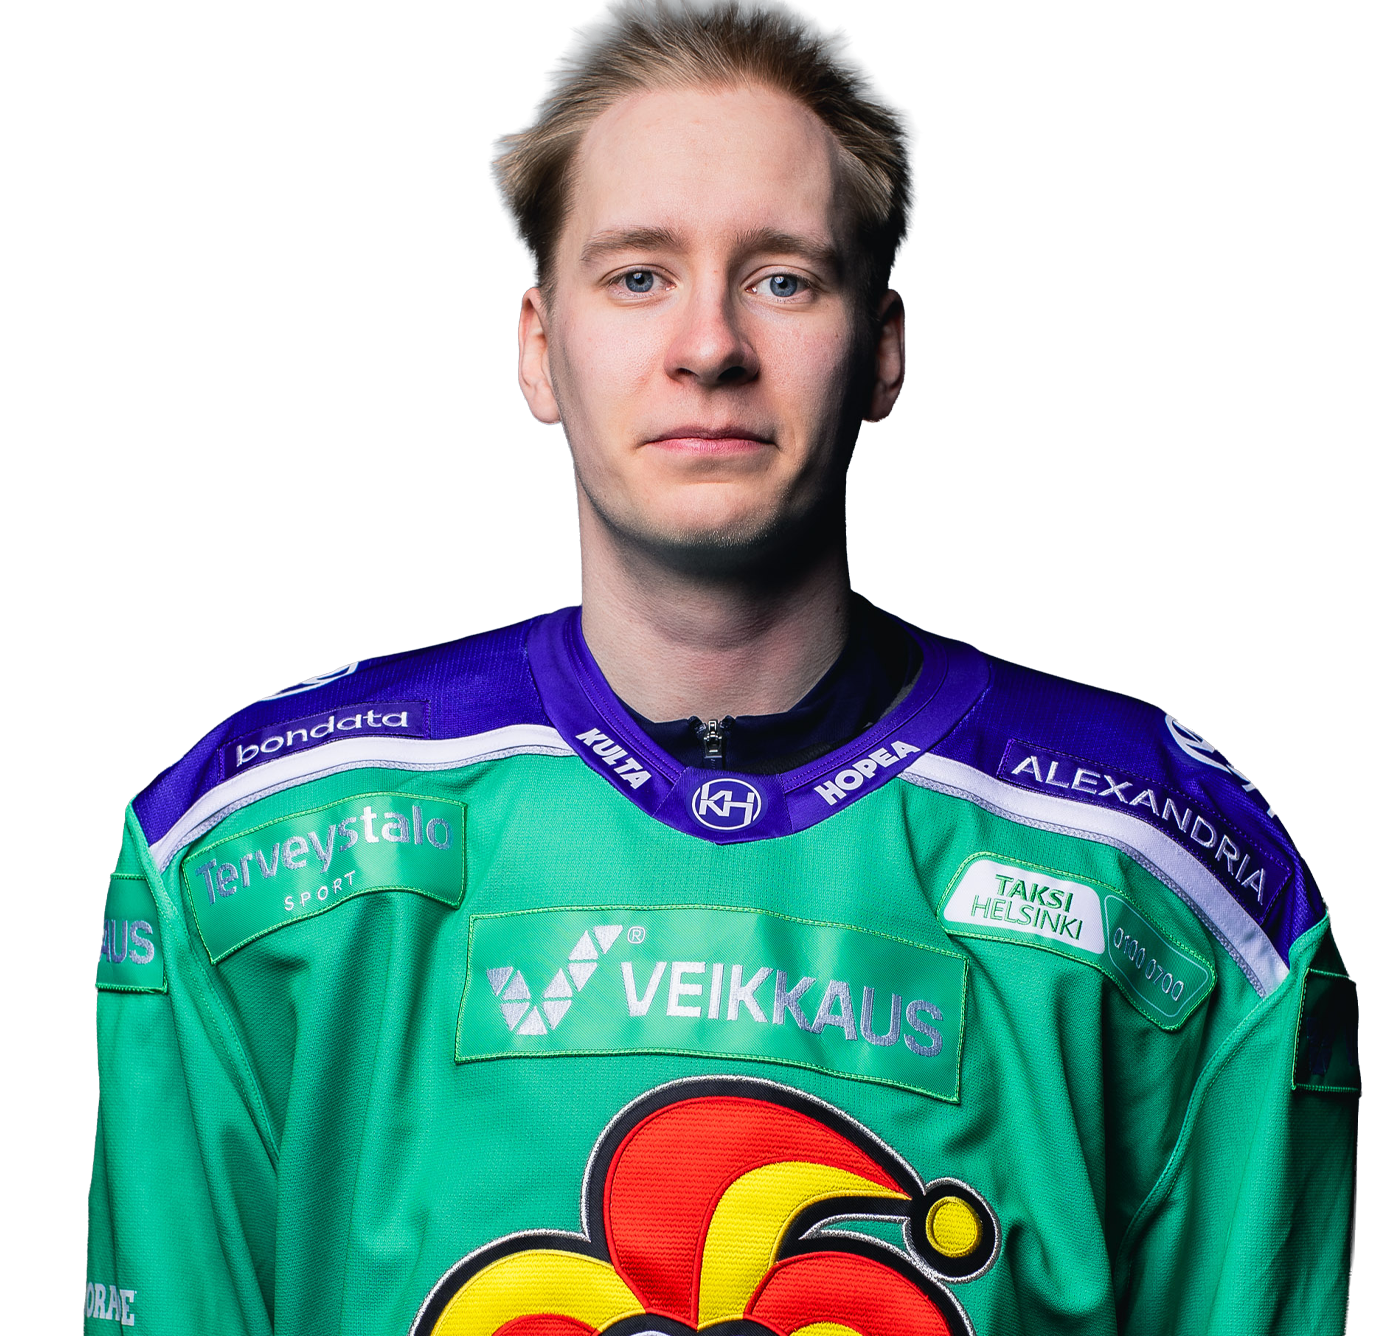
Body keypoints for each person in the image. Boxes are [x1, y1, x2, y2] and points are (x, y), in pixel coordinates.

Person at [85, 1, 1357, 1332]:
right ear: (538, 352)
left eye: (783, 279)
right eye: (639, 276)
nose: (709, 347)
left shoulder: (1180, 882)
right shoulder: (241, 846)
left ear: (883, 352)